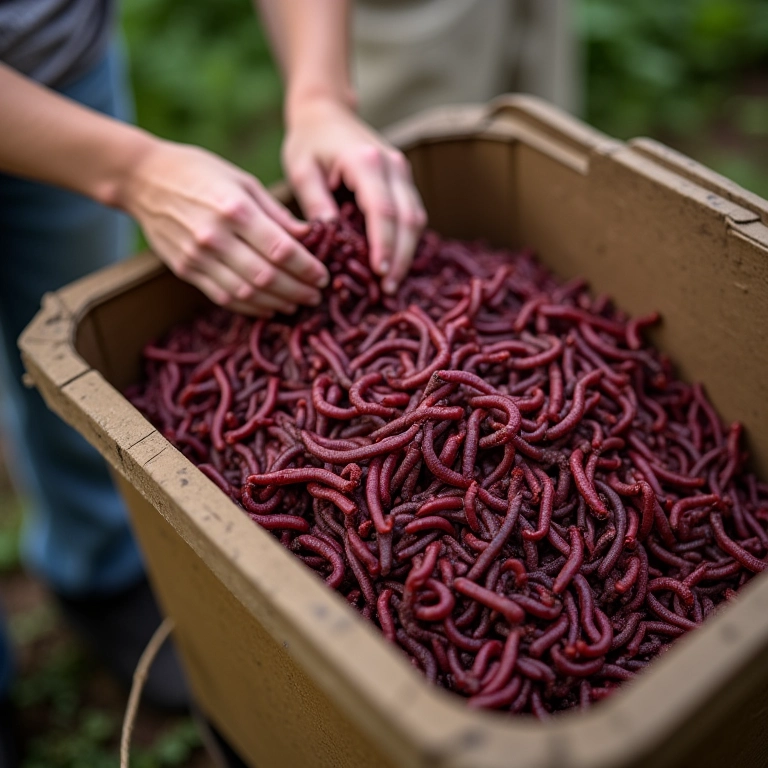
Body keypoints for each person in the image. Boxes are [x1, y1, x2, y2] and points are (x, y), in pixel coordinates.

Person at [0, 1, 426, 763]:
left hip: (56, 61)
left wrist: (321, 94)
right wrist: (130, 169)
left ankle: (100, 568)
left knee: (61, 308)